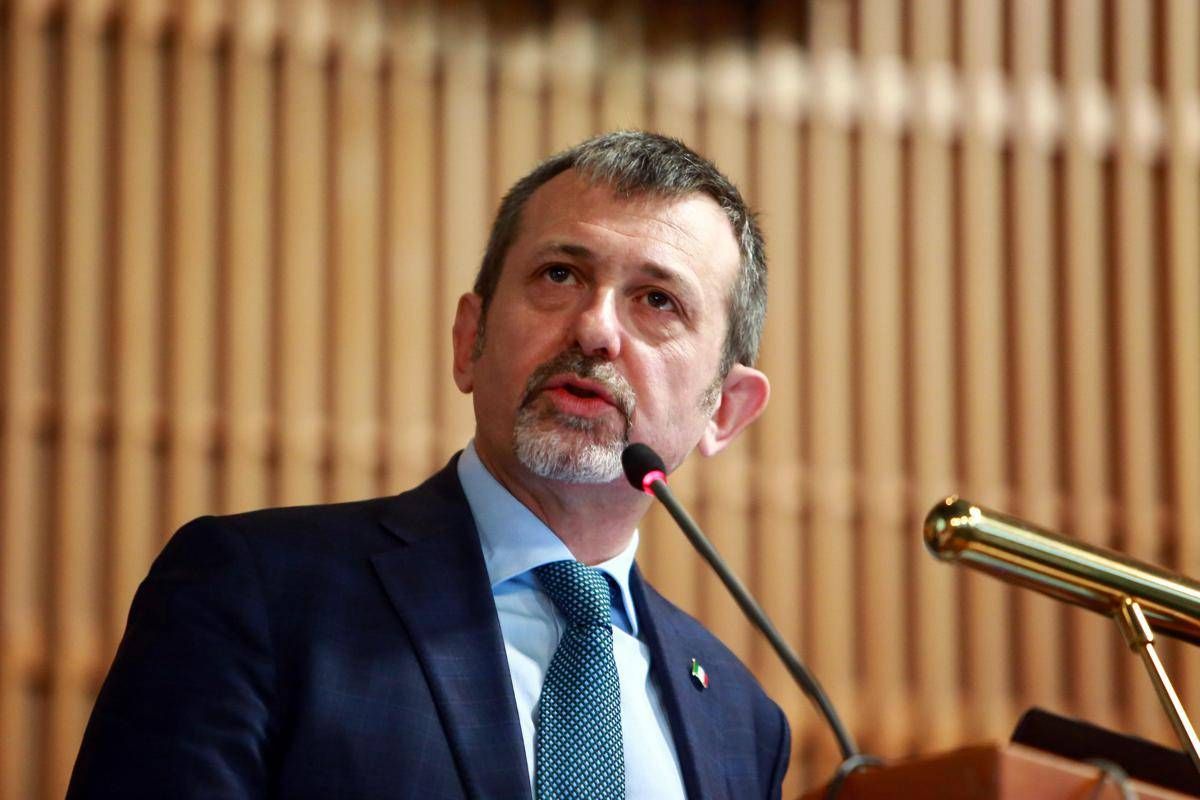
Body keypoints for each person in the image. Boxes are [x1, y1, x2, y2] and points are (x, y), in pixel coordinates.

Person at [67, 131, 789, 799]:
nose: (596, 329)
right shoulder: (256, 591)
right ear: (469, 340)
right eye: (560, 274)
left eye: (658, 300)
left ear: (724, 411)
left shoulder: (742, 719)